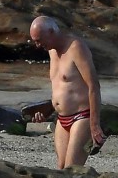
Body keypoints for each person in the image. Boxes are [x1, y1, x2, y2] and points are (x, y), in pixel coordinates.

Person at [28, 16, 105, 168]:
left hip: (82, 117)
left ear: (51, 31)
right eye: (35, 41)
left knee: (72, 170)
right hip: (61, 119)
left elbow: (94, 86)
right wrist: (47, 111)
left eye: (39, 40)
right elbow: (61, 88)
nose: (37, 45)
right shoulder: (51, 51)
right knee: (61, 169)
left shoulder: (75, 47)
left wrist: (95, 124)